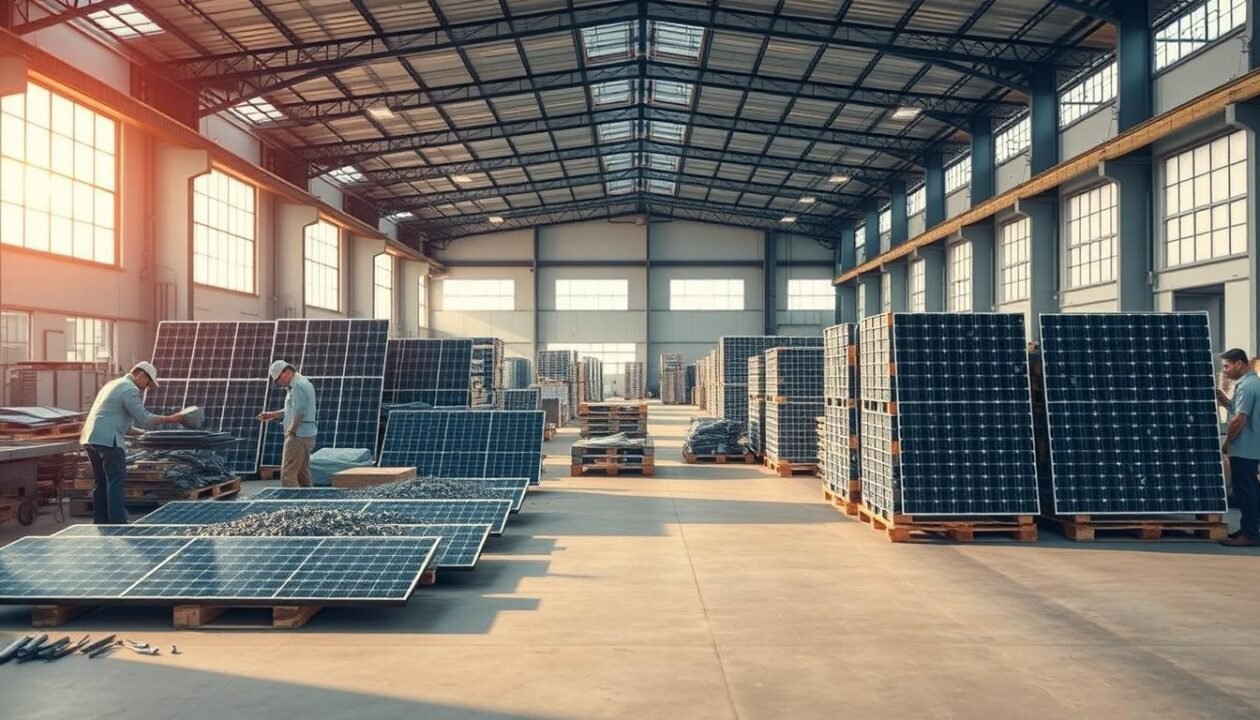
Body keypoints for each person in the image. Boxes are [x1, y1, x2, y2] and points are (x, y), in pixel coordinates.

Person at [80, 361, 188, 524]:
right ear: (141, 375)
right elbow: (145, 418)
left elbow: (115, 420)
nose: (147, 388)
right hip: (110, 441)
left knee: (102, 481)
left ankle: (100, 520)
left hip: (91, 438)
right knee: (116, 479)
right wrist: (173, 418)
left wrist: (141, 434)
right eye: (148, 383)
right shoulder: (129, 389)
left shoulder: (113, 385)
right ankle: (118, 522)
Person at [1217, 348, 1260, 547]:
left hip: (1244, 448)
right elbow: (1239, 410)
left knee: (1245, 491)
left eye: (1226, 366)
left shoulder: (1247, 387)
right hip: (1251, 447)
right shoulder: (1251, 384)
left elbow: (1239, 420)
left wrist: (1227, 443)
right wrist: (1224, 400)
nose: (1224, 371)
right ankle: (1249, 528)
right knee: (1251, 489)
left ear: (1239, 364)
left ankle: (1250, 535)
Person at [258, 360, 318, 488]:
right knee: (302, 474)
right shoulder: (301, 382)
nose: (280, 383)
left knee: (288, 474)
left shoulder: (297, 386)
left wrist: (291, 432)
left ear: (286, 371)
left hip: (298, 436)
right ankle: (309, 502)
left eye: (279, 379)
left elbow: (300, 412)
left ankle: (291, 506)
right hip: (305, 434)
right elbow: (293, 410)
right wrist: (273, 414)